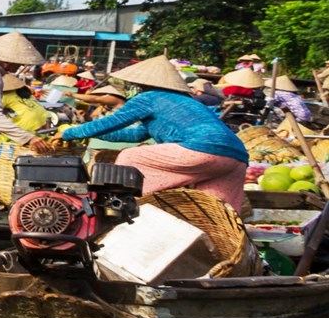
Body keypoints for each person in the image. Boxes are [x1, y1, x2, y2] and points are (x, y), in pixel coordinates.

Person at [55, 55, 248, 211]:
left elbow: (112, 122)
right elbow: (136, 135)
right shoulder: (183, 101)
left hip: (201, 149)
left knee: (130, 157)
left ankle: (118, 210)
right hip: (236, 158)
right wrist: (89, 134)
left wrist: (69, 133)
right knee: (217, 213)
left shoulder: (148, 97)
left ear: (140, 84)